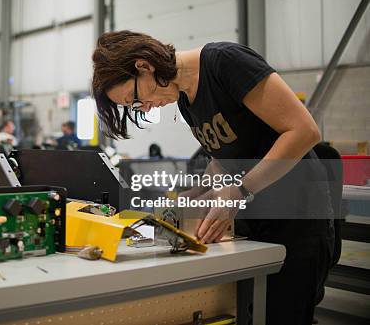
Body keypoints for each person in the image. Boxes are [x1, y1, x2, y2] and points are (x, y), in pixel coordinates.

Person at [91, 31, 332, 325]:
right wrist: (188, 197)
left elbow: (304, 131)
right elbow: (222, 158)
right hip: (256, 222)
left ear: (144, 66)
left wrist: (241, 190)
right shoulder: (185, 103)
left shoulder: (225, 63)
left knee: (285, 315)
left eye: (136, 99)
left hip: (297, 217)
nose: (146, 107)